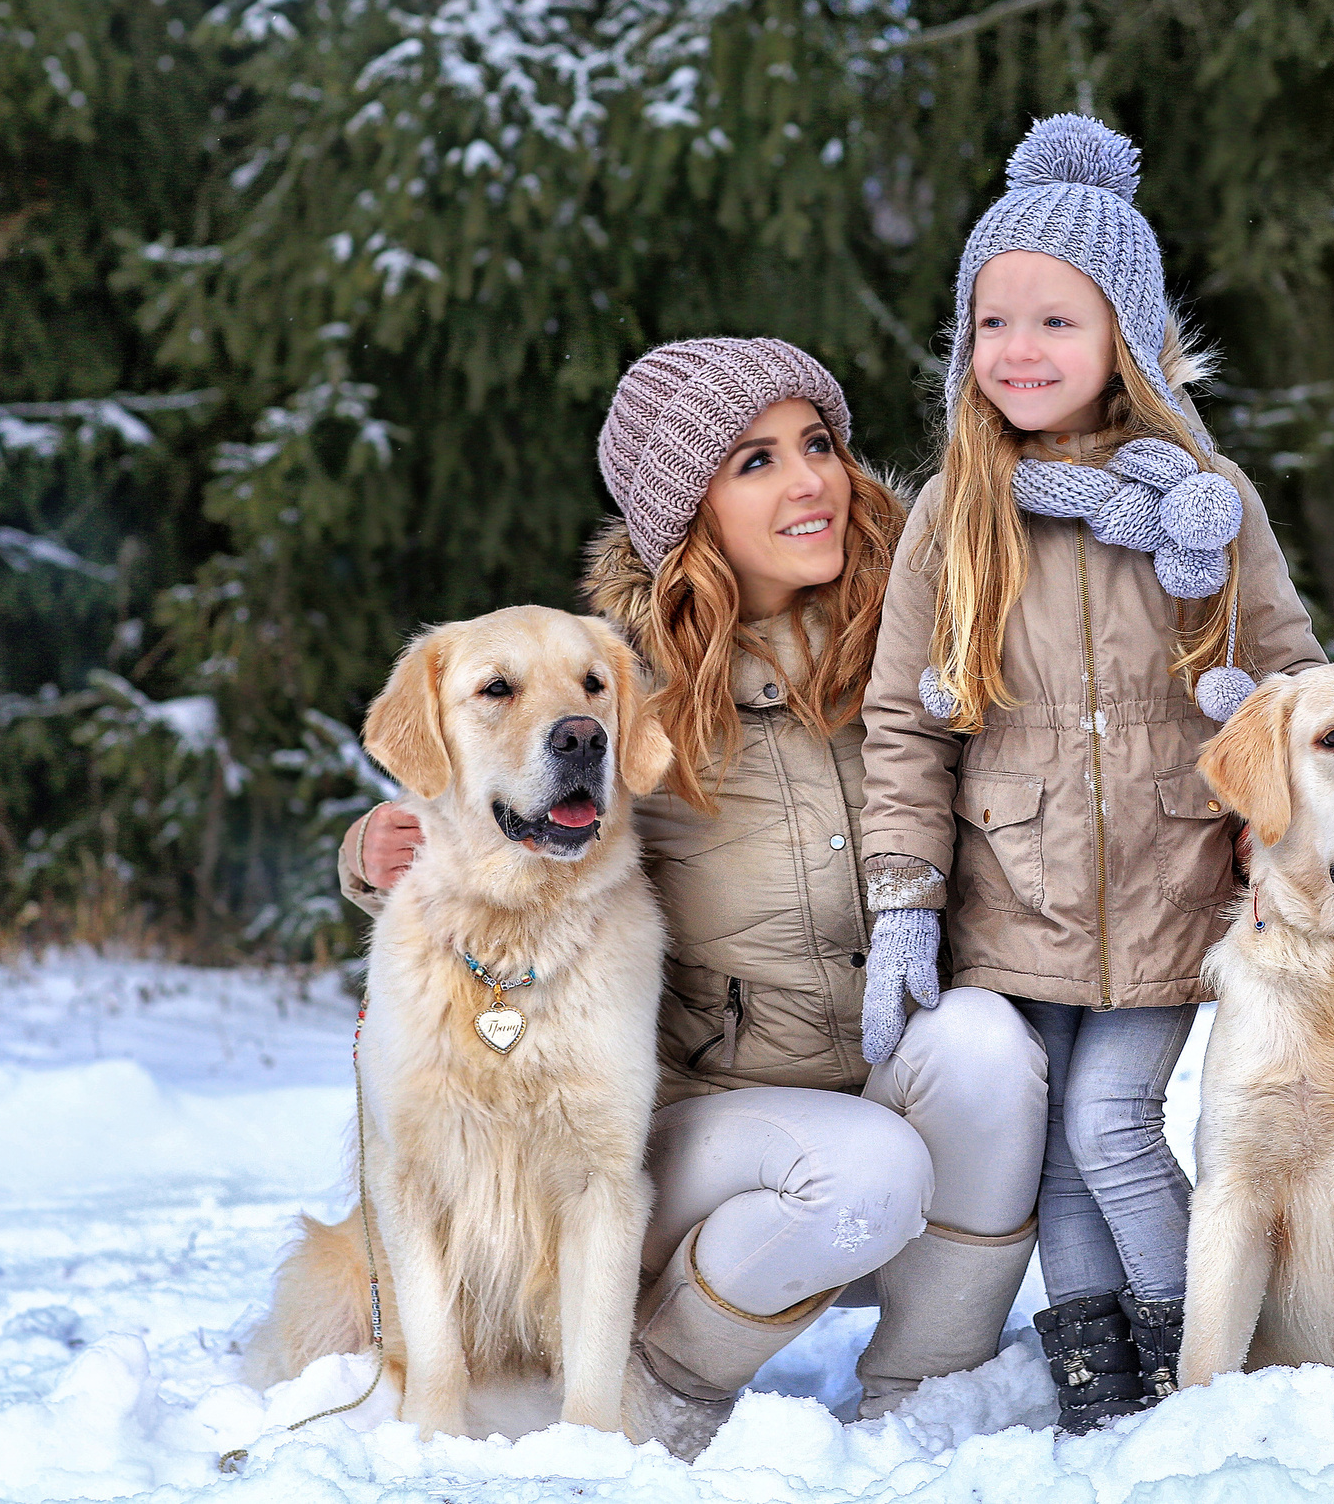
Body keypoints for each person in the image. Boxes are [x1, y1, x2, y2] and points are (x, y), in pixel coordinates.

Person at [338, 338, 1048, 1457]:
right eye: (755, 461)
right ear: (691, 509)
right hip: (713, 1129)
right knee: (865, 1166)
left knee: (988, 1047)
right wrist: (374, 847)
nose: (807, 480)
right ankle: (656, 1381)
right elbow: (503, 799)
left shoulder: (932, 643)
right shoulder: (628, 685)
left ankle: (928, 1393)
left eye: (817, 444)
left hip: (882, 1067)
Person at [855, 115, 1327, 1434]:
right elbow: (906, 721)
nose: (1019, 349)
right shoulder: (960, 510)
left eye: (1055, 320)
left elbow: (1291, 680)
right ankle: (1099, 1380)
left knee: (1114, 1119)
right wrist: (904, 898)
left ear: (1125, 331)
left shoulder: (1205, 495)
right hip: (1016, 889)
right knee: (1061, 1144)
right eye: (992, 321)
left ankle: (1202, 1353)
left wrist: (1290, 845)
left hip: (1174, 880)